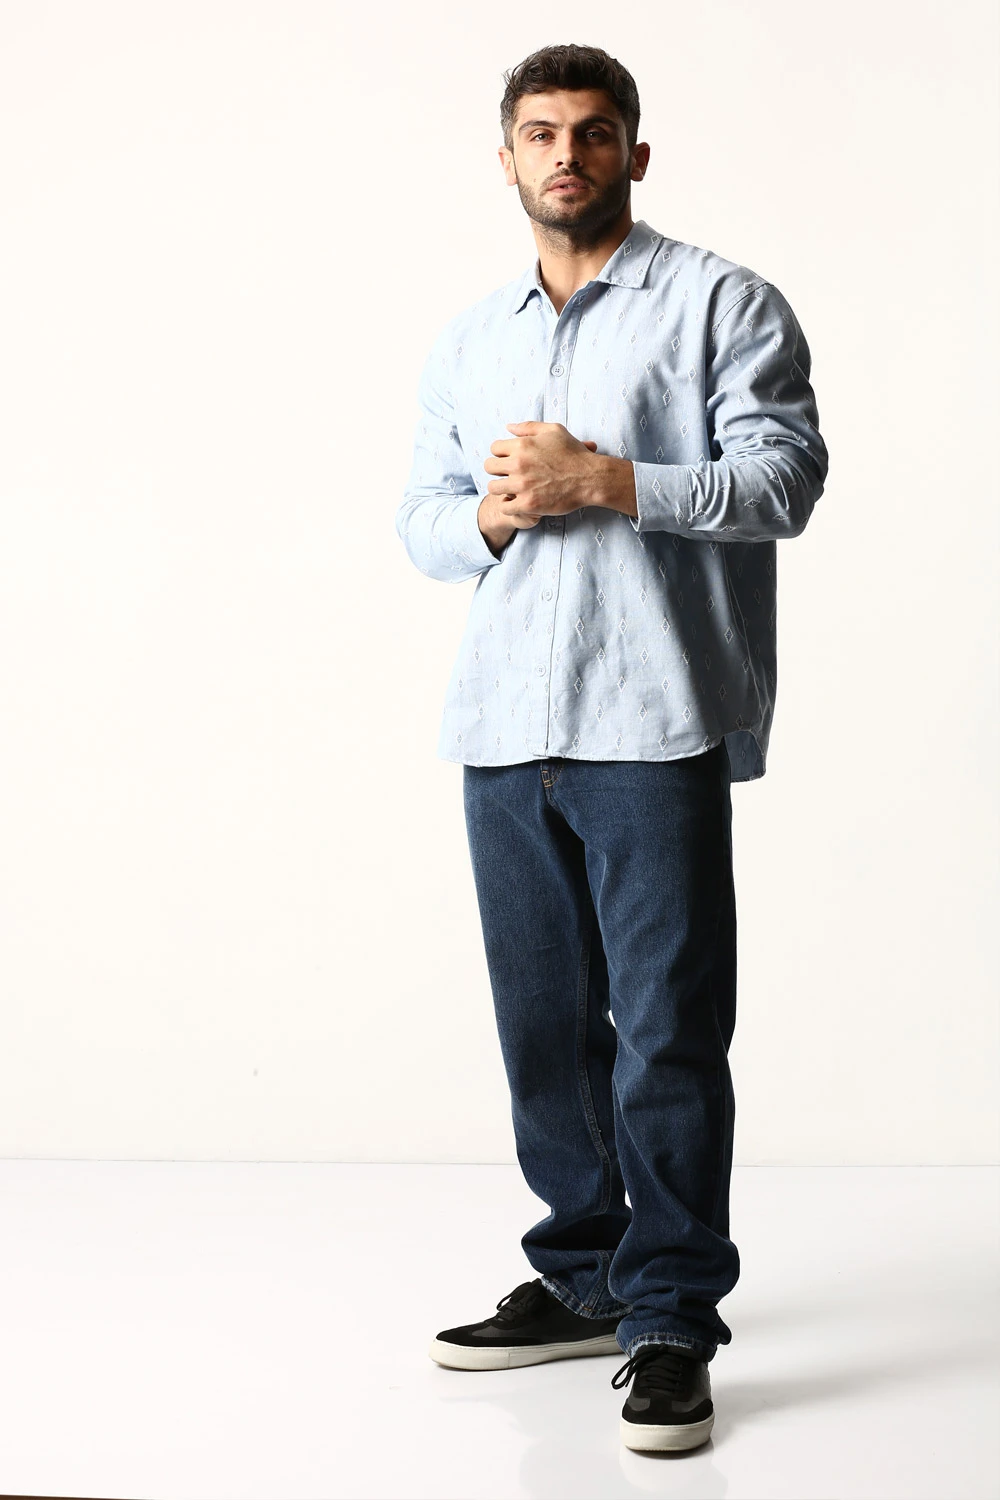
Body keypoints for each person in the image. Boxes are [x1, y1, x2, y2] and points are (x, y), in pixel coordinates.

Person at [395, 42, 829, 1454]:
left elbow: (785, 478)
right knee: (545, 1032)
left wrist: (610, 480)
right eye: (540, 133)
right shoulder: (472, 338)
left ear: (634, 153)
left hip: (650, 722)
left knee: (668, 1035)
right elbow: (420, 518)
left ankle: (671, 1316)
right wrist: (493, 516)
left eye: (592, 132)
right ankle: (584, 1275)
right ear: (506, 159)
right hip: (502, 728)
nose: (565, 154)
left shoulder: (721, 303)